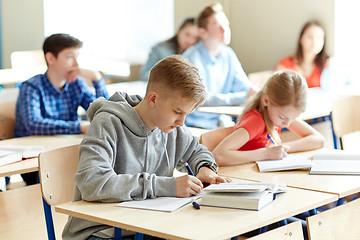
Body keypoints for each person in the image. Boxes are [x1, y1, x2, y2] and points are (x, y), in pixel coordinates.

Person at [62, 55, 231, 240]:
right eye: (178, 112)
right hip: (100, 231)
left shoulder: (171, 128)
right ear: (153, 99)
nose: (182, 122)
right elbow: (92, 183)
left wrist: (206, 168)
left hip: (145, 227)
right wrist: (166, 186)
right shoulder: (107, 123)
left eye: (187, 114)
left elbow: (197, 150)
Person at [14, 33, 109, 185]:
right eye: (70, 57)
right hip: (36, 162)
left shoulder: (76, 84)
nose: (76, 64)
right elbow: (33, 124)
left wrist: (96, 78)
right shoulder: (31, 87)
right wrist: (80, 126)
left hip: (68, 153)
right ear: (51, 58)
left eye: (77, 57)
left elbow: (105, 114)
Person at [212, 70, 324, 166]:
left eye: (293, 118)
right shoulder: (255, 121)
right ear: (266, 101)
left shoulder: (281, 115)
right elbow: (218, 155)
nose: (287, 124)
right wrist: (265, 154)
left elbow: (319, 140)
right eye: (283, 117)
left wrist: (282, 148)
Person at [183, 2, 256, 130]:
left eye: (226, 25)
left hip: (221, 122)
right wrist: (242, 97)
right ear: (203, 32)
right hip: (196, 124)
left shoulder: (228, 54)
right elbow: (202, 98)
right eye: (218, 26)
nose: (225, 30)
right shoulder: (191, 58)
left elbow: (245, 87)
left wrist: (254, 93)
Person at [139, 17, 198, 81]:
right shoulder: (159, 49)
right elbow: (143, 76)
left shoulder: (194, 54)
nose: (190, 40)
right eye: (187, 34)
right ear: (179, 31)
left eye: (195, 37)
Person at [275, 20, 329, 88]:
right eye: (310, 37)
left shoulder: (327, 66)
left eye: (319, 37)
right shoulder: (285, 65)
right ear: (301, 38)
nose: (314, 41)